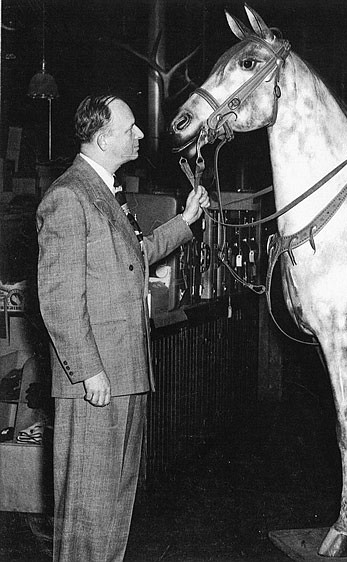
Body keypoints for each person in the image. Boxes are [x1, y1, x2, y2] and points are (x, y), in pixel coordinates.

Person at [36, 94, 210, 562]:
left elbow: (133, 258)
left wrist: (185, 222)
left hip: (126, 371)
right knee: (88, 511)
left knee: (114, 506)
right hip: (96, 380)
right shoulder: (68, 197)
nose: (138, 134)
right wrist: (89, 370)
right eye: (130, 127)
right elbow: (58, 296)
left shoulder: (106, 191)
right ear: (102, 135)